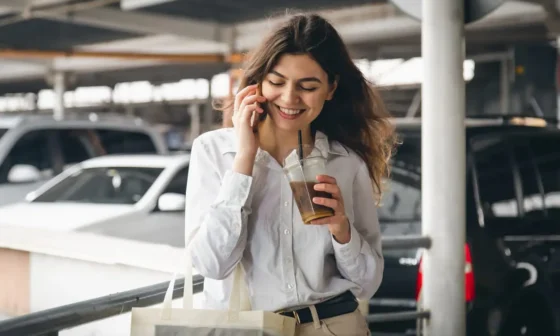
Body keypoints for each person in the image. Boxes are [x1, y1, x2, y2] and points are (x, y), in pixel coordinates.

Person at [185, 13, 396, 336]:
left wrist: (342, 229)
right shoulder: (214, 152)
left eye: (308, 86)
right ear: (258, 83)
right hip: (248, 329)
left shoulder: (345, 162)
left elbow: (367, 284)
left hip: (333, 326)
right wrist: (244, 160)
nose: (289, 98)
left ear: (331, 88)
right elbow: (212, 264)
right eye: (277, 82)